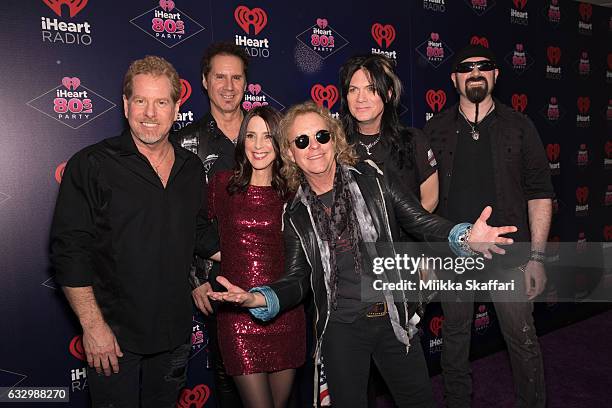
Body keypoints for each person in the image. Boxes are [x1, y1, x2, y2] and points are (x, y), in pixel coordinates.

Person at [208, 101, 518, 408]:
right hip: (340, 329)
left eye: (322, 136)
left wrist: (464, 235)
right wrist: (261, 298)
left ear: (335, 140)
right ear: (290, 153)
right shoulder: (294, 214)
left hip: (393, 320)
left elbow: (418, 220)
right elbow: (298, 278)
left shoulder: (374, 181)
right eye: (302, 141)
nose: (314, 147)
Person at [50, 55, 218, 407]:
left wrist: (265, 250)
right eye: (140, 100)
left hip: (174, 337)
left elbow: (200, 235)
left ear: (176, 108)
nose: (149, 113)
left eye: (161, 102)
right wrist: (93, 328)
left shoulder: (190, 170)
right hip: (113, 339)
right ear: (126, 104)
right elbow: (70, 252)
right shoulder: (92, 164)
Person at [423, 44, 554, 408]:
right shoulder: (434, 130)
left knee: (522, 339)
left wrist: (538, 258)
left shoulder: (520, 127)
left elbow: (540, 193)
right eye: (466, 68)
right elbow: (422, 203)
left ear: (496, 75)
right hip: (454, 252)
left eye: (484, 66)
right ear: (454, 79)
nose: (475, 72)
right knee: (454, 340)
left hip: (509, 256)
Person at [207, 106, 305, 408]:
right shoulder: (223, 184)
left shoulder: (294, 191)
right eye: (251, 135)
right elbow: (194, 230)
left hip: (285, 312)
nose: (258, 145)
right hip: (237, 315)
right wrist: (222, 257)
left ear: (280, 143)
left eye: (267, 137)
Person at [172, 41, 248, 407]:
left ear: (247, 83)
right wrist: (194, 278)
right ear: (204, 81)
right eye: (220, 76)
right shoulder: (184, 144)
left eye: (236, 77)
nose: (229, 85)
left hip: (272, 274)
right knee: (230, 377)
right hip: (215, 278)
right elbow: (176, 220)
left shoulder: (268, 136)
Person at [340, 54, 438, 212]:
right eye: (353, 90)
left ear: (389, 93)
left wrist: (402, 232)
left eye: (371, 89)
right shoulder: (335, 145)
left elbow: (430, 199)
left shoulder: (414, 140)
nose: (360, 98)